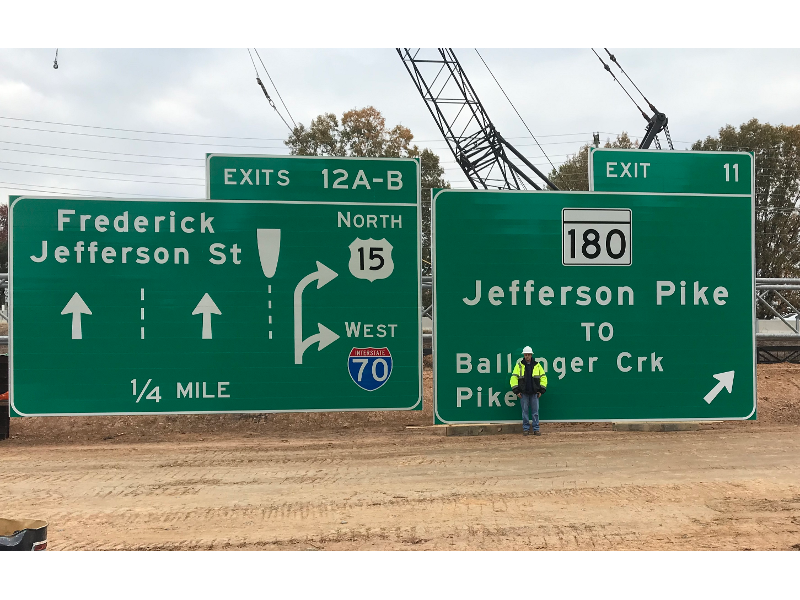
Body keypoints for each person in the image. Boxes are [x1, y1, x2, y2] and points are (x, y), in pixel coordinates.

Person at [510, 346, 548, 436]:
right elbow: (513, 378)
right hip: (524, 393)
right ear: (524, 355)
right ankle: (526, 429)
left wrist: (541, 390)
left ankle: (536, 429)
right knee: (525, 412)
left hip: (534, 393)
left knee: (535, 412)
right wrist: (516, 390)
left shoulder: (537, 365)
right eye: (526, 354)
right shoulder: (519, 365)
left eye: (528, 355)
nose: (527, 356)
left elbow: (543, 377)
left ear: (531, 355)